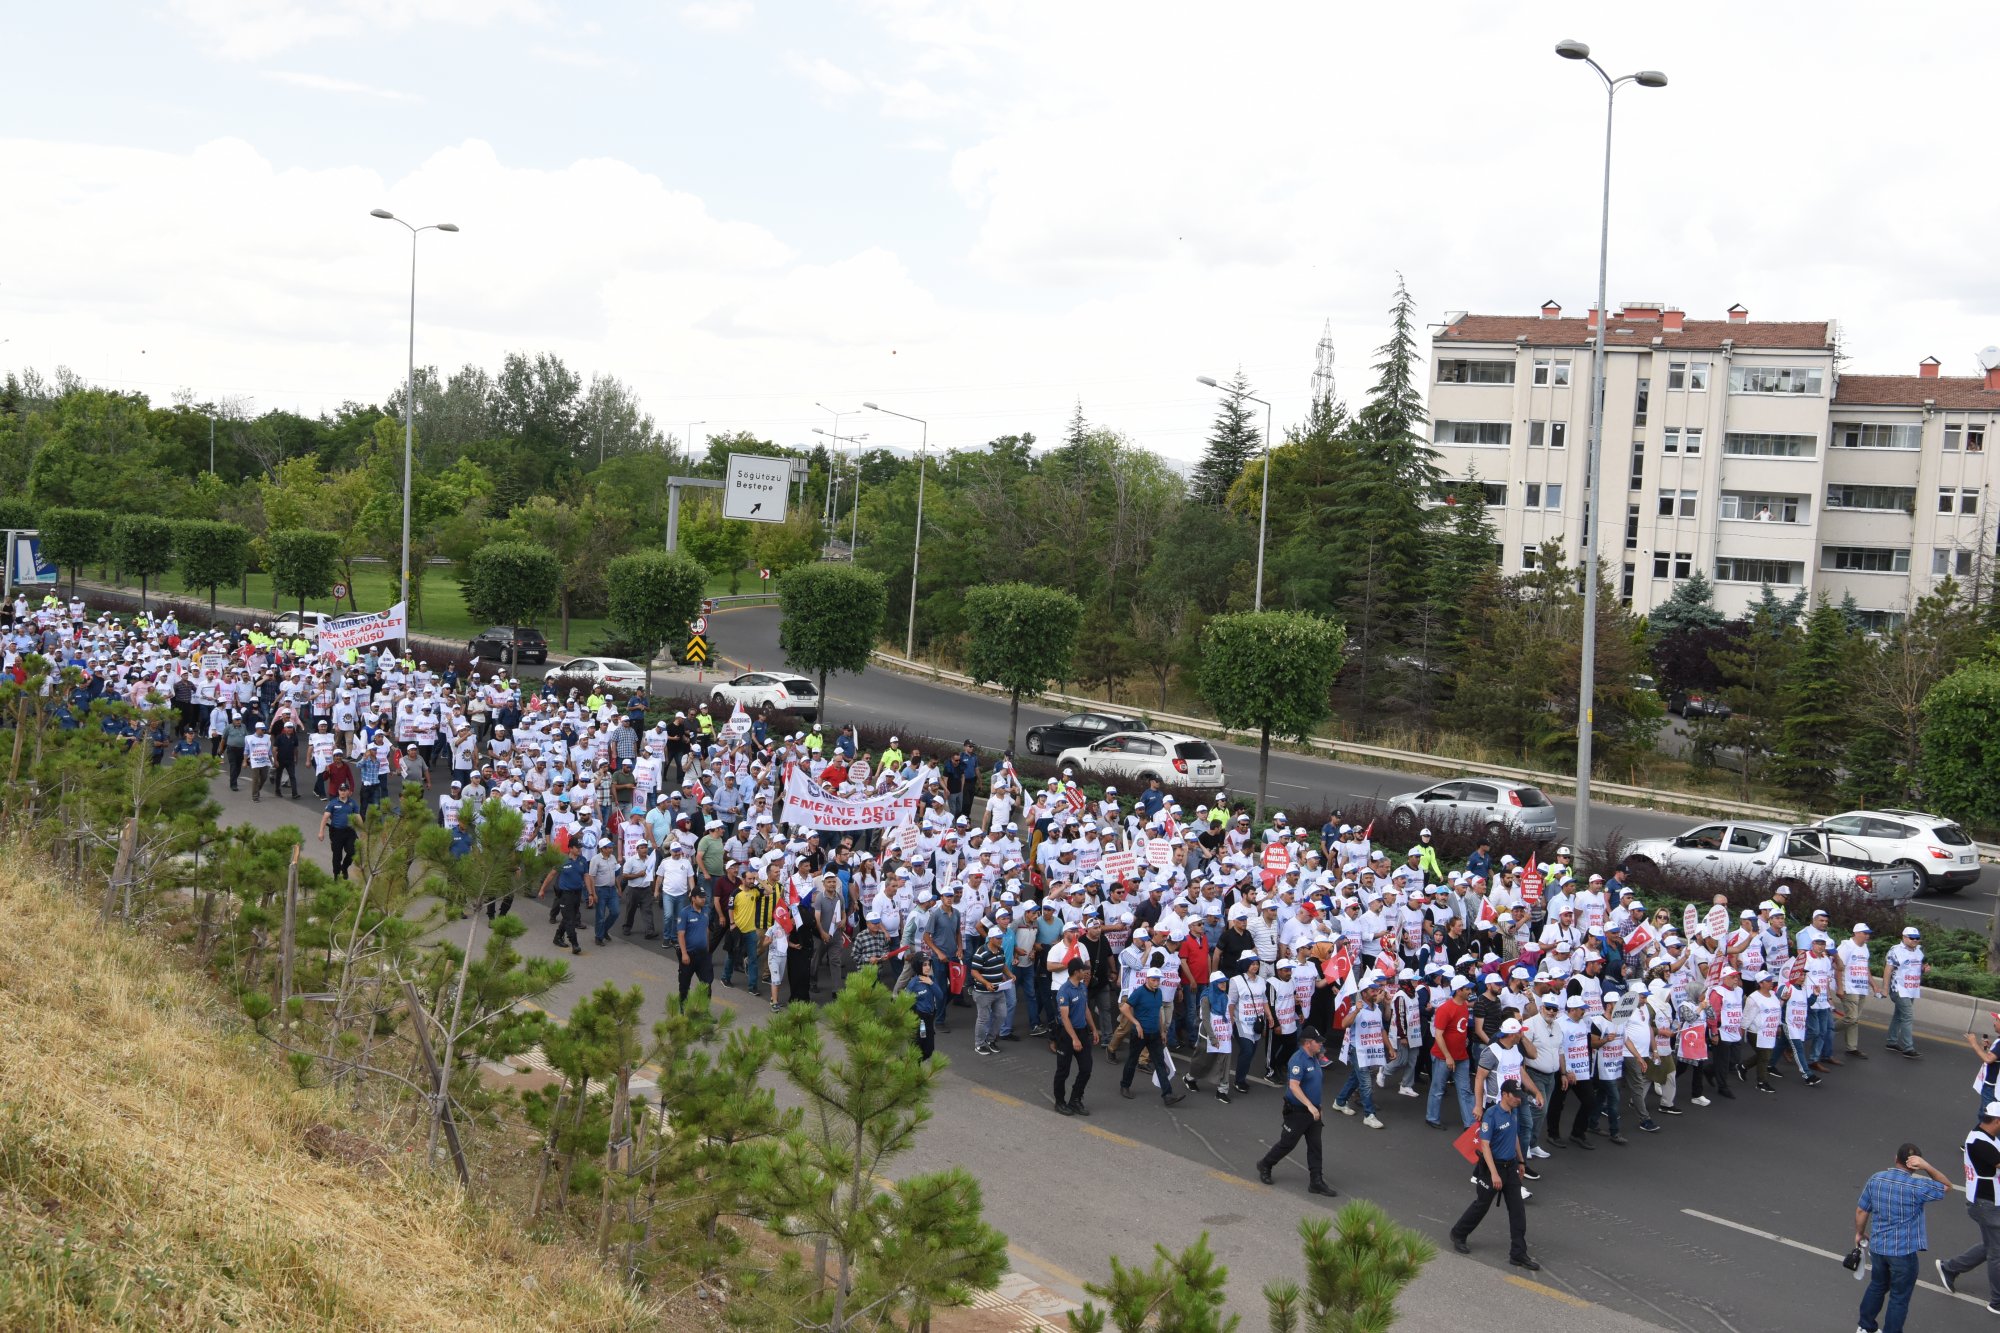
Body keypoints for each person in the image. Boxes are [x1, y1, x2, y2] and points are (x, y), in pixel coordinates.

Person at [1854, 1141, 1954, 1333]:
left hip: (1879, 1248)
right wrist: (1927, 1167)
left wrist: (1859, 1233)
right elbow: (1946, 1186)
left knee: (1877, 1286)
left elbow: (1861, 1210)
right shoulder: (1918, 1186)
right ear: (1914, 1164)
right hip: (1903, 1252)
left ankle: (1865, 1327)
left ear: (1895, 1158)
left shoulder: (1876, 1179)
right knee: (1899, 1298)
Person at [1448, 1077, 1535, 1269]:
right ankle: (1459, 1233)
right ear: (1504, 1095)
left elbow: (1515, 1138)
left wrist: (1521, 1161)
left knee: (1518, 1211)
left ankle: (1518, 1254)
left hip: (1510, 1167)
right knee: (1481, 1205)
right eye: (1515, 1096)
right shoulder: (1491, 1115)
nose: (1519, 1099)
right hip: (1491, 1168)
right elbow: (1485, 1146)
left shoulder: (1513, 1112)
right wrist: (1494, 1174)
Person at [1254, 1027, 1335, 1197]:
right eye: (1317, 1041)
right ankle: (1265, 1164)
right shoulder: (1298, 1060)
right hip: (1297, 1112)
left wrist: (1317, 1106)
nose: (1320, 1043)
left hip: (1313, 1112)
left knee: (1315, 1146)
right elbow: (1294, 1086)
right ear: (1307, 1043)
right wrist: (1309, 1106)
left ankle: (1316, 1181)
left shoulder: (1314, 1058)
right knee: (1287, 1143)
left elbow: (1314, 1085)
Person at [1938, 1102, 2000, 1314]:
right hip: (1986, 1202)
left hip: (1989, 1200)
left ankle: (1950, 1267)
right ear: (1997, 1121)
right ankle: (1997, 1301)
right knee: (1997, 1252)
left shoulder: (1983, 1134)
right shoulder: (1981, 1143)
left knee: (1991, 1245)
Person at [1118, 967, 1186, 1106]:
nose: (1156, 983)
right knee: (1132, 1060)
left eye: (1158, 980)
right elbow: (1124, 1008)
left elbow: (1159, 1014)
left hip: (1154, 1034)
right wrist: (1136, 1023)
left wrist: (1162, 1031)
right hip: (1140, 1034)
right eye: (1153, 980)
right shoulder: (1139, 992)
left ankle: (1167, 1095)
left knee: (1160, 1063)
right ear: (1147, 979)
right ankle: (1125, 1086)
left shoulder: (1159, 992)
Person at [1052, 957, 1097, 1117]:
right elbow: (1065, 1018)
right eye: (1083, 970)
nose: (1086, 972)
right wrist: (1074, 1039)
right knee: (1063, 1071)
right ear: (1076, 972)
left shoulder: (1082, 987)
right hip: (1067, 1035)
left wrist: (1093, 1028)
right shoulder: (1064, 991)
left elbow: (1085, 1009)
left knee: (1086, 1068)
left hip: (1082, 1032)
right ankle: (1060, 1102)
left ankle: (1075, 1099)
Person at [676, 886, 714, 1002]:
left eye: (704, 897)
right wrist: (684, 954)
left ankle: (704, 1010)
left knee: (706, 984)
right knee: (684, 985)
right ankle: (683, 1011)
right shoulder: (685, 913)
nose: (703, 899)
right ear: (693, 898)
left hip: (703, 955)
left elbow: (707, 929)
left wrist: (707, 948)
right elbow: (681, 934)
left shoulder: (706, 911)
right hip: (689, 955)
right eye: (700, 897)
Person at [316, 783, 359, 880]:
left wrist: (364, 829)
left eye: (344, 790)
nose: (342, 792)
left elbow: (358, 817)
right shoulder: (333, 803)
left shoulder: (353, 803)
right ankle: (336, 876)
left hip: (349, 832)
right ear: (338, 791)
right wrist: (321, 832)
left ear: (348, 791)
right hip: (336, 832)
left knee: (352, 852)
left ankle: (344, 867)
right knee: (337, 856)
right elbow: (325, 817)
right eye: (340, 790)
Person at [1969, 1013, 2000, 1116]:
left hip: (1992, 1087)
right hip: (1995, 1086)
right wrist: (1991, 1046)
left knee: (1987, 1117)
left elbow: (1988, 1059)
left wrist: (1974, 1043)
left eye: (1997, 1020)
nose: (1994, 1023)